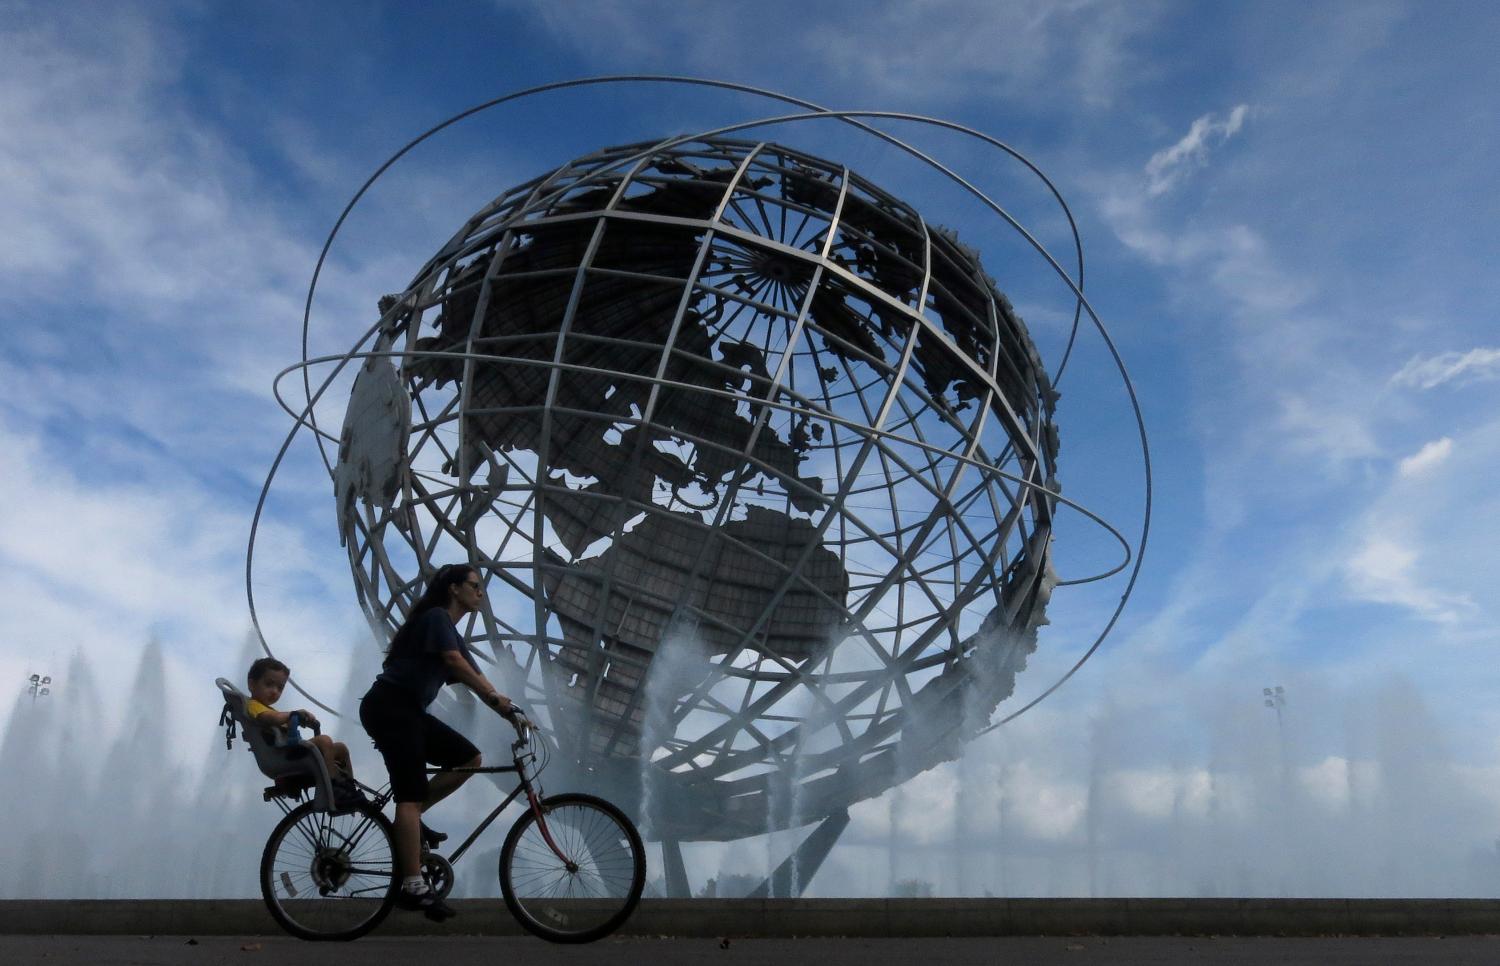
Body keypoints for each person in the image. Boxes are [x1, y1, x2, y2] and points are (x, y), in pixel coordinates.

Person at [358, 564, 520, 921]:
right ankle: (413, 885)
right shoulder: (435, 618)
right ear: (453, 588)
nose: (481, 592)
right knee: (409, 797)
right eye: (475, 585)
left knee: (469, 758)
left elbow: (471, 675)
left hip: (408, 711)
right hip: (391, 708)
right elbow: (455, 664)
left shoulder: (450, 633)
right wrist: (495, 699)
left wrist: (508, 712)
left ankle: (412, 823)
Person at [244, 657, 363, 809]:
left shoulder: (268, 709)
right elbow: (270, 718)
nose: (275, 691)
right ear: (252, 684)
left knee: (341, 749)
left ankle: (348, 787)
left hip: (287, 752)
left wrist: (300, 719)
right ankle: (334, 788)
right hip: (283, 755)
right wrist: (293, 714)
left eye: (280, 688)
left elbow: (279, 719)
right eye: (269, 684)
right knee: (324, 740)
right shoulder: (254, 706)